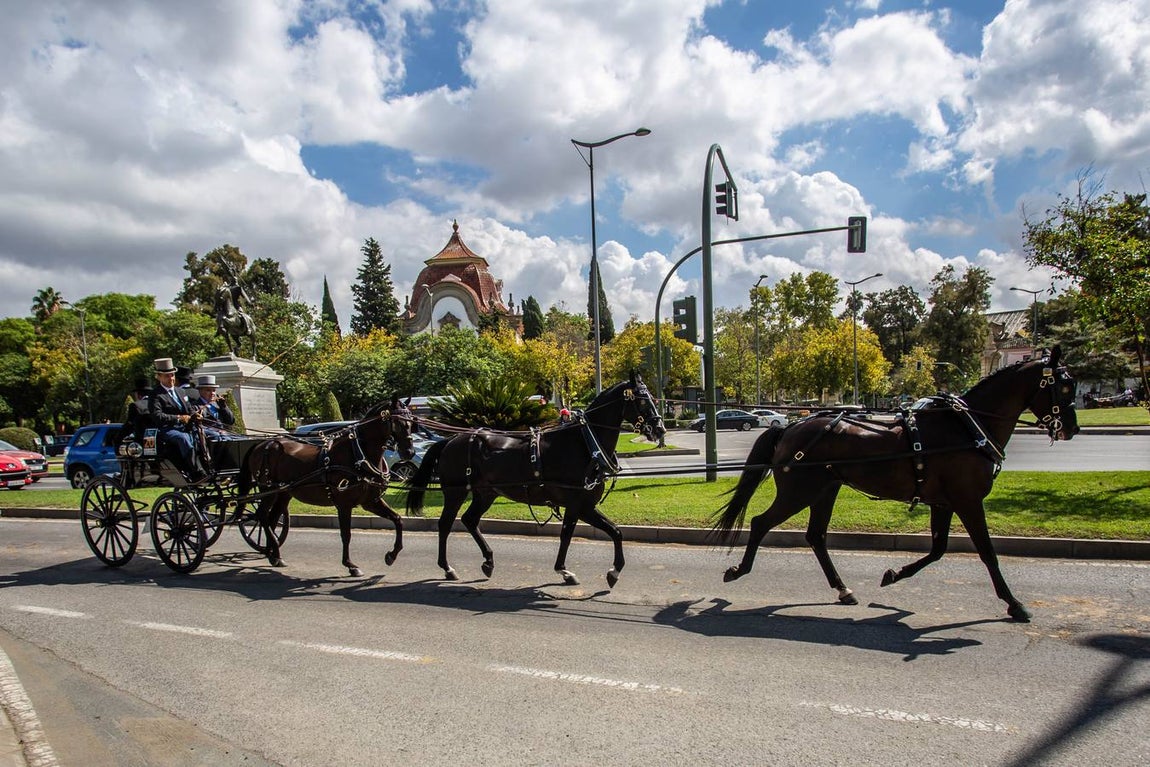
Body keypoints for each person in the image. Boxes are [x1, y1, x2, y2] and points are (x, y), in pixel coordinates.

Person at [147, 357, 205, 481]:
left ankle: (212, 466)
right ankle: (195, 471)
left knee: (207, 435)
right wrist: (178, 418)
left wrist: (195, 414)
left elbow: (189, 409)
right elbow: (158, 416)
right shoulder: (155, 395)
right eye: (167, 376)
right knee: (183, 438)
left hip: (186, 427)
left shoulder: (181, 392)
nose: (171, 378)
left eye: (172, 375)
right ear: (159, 377)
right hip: (168, 429)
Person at [189, 374, 237, 439]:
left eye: (214, 390)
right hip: (211, 437)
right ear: (200, 391)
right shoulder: (195, 407)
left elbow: (230, 421)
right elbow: (196, 426)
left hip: (225, 434)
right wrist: (216, 431)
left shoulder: (218, 404)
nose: (212, 393)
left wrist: (224, 407)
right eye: (208, 390)